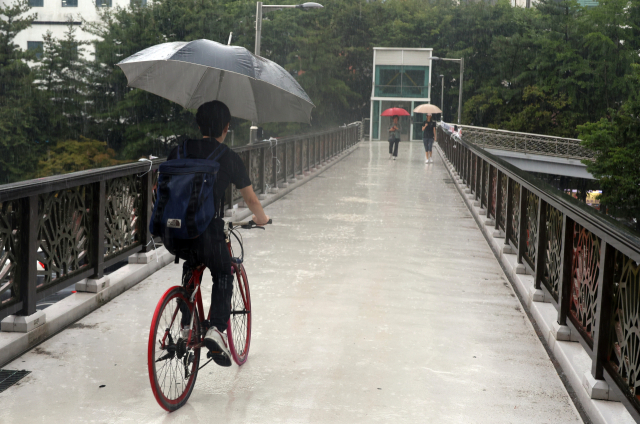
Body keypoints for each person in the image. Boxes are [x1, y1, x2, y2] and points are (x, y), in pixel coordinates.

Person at [167, 100, 270, 367]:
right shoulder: (228, 157)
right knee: (224, 270)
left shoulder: (178, 151)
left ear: (199, 125)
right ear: (226, 128)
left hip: (173, 234)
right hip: (208, 234)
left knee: (191, 264)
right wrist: (262, 219)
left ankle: (184, 325)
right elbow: (251, 201)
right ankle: (216, 330)